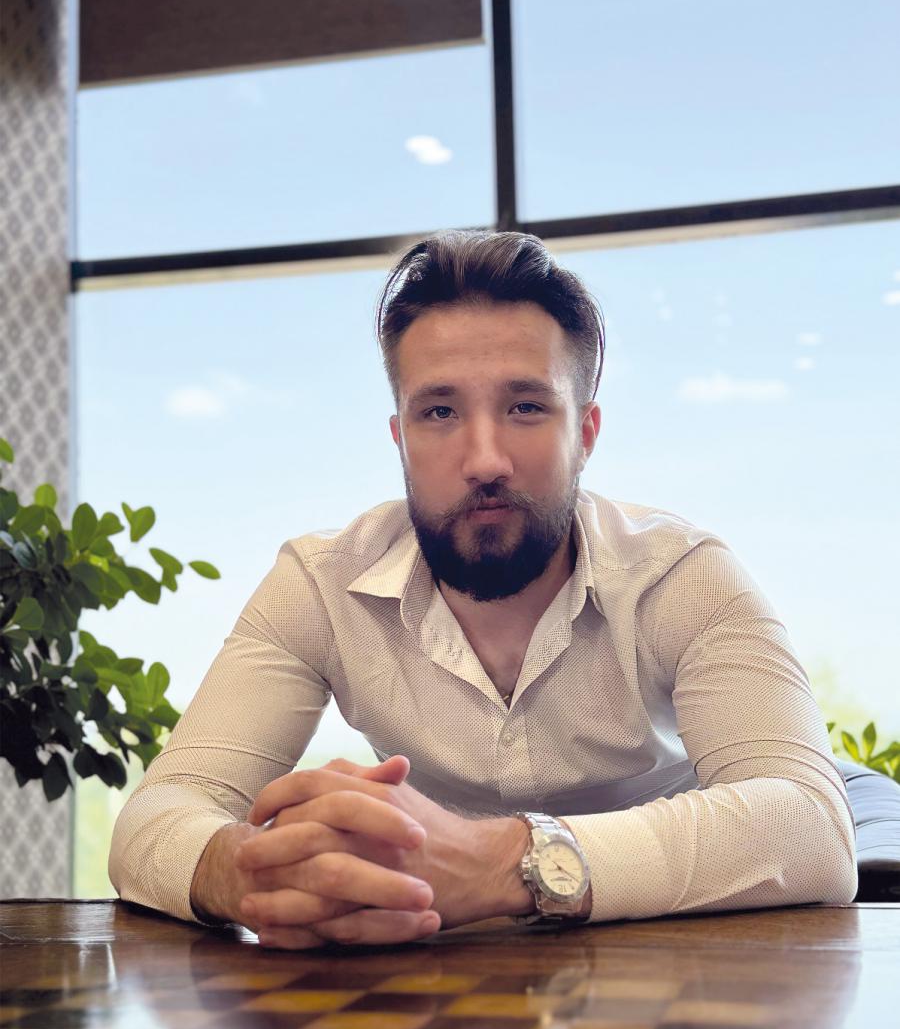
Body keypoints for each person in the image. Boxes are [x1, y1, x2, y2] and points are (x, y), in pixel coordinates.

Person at [109, 229, 857, 949]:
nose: (485, 460)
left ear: (585, 432)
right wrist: (255, 873)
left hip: (676, 971)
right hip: (431, 970)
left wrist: (498, 862)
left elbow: (811, 827)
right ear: (400, 437)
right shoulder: (319, 585)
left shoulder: (683, 576)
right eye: (439, 412)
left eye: (526, 407)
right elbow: (157, 816)